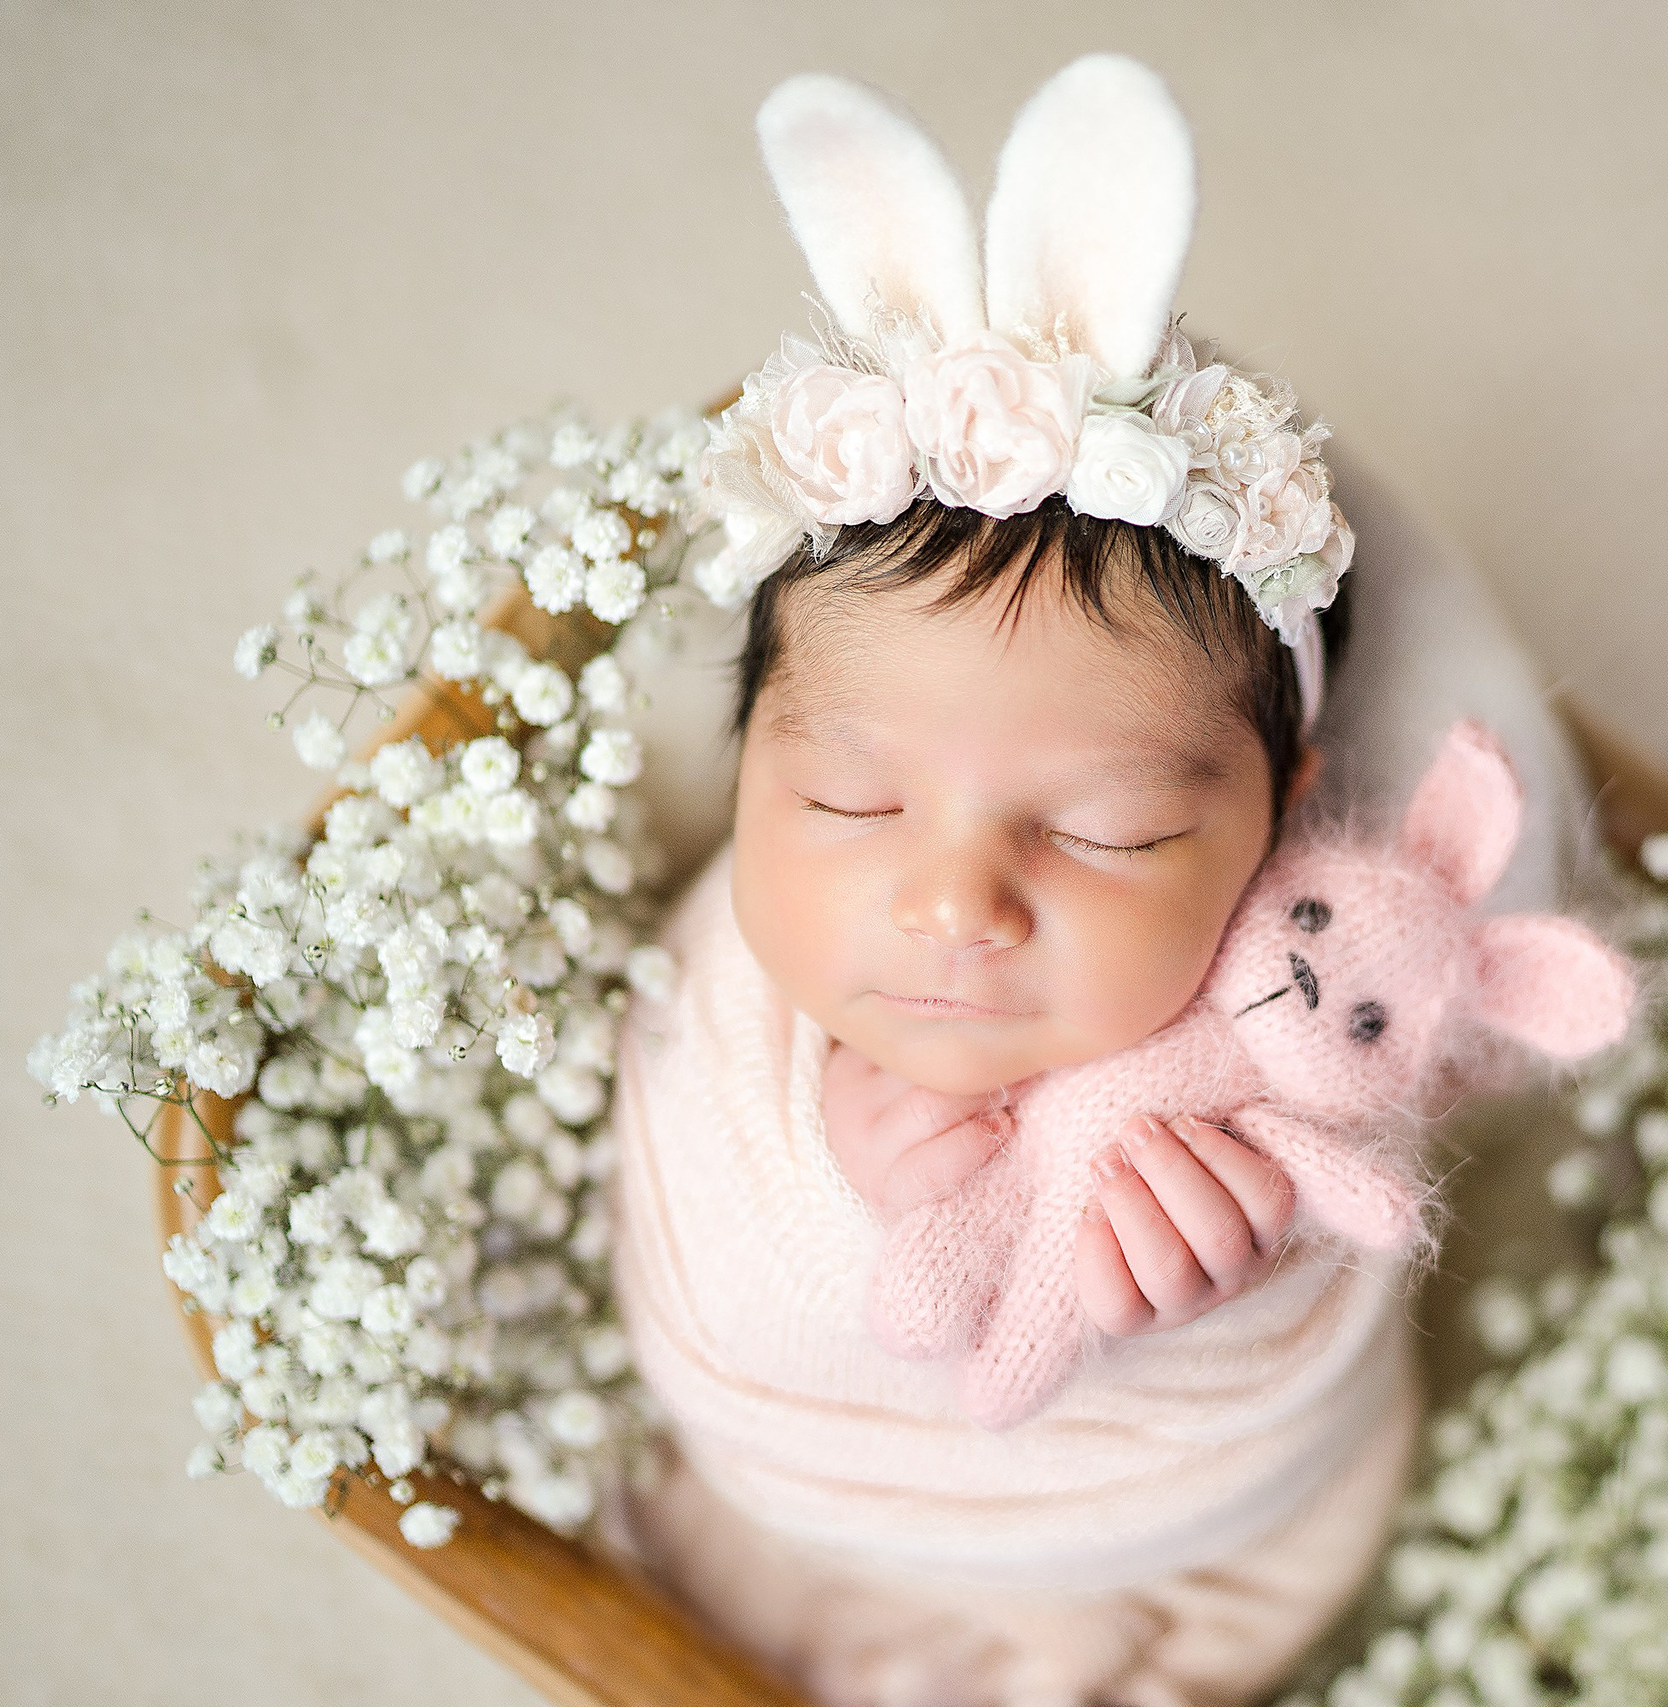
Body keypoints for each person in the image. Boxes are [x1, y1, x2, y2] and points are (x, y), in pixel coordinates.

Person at [608, 58, 1423, 1707]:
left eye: (1109, 832)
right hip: (790, 1500)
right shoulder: (738, 989)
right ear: (751, 761)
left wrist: (1223, 1292)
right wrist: (830, 1193)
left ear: (1283, 827)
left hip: (1155, 1556)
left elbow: (1363, 1235)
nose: (956, 903)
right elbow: (683, 1195)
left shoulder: (1302, 1002)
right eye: (847, 798)